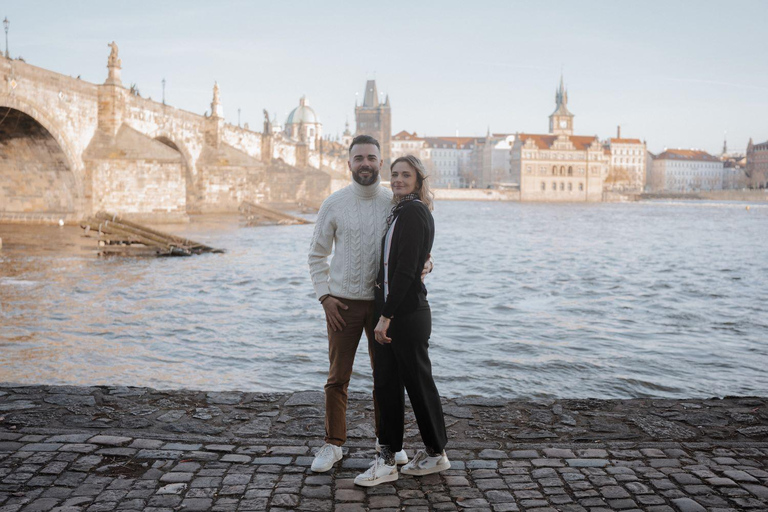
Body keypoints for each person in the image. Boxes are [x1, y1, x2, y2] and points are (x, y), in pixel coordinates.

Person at [308, 135, 422, 472]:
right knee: (337, 378)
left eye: (371, 158)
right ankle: (333, 445)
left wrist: (425, 263)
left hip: (381, 306)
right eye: (359, 158)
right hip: (341, 304)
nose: (365, 164)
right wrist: (324, 296)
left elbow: (412, 248)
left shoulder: (394, 202)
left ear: (380, 163)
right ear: (349, 164)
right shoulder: (334, 203)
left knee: (385, 378)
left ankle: (387, 442)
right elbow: (316, 254)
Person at [354, 155, 449, 487]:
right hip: (404, 312)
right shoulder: (406, 210)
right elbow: (407, 261)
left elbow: (405, 271)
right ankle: (410, 454)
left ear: (418, 180)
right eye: (394, 174)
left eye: (405, 175)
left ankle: (410, 456)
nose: (397, 179)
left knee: (404, 385)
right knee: (399, 386)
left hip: (403, 315)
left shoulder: (411, 212)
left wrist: (385, 317)